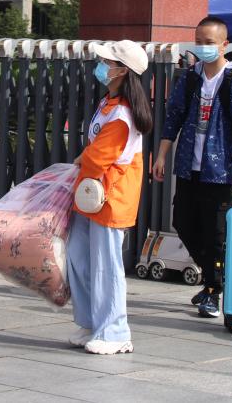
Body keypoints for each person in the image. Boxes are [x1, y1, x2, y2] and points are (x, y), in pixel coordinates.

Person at [151, 16, 232, 319]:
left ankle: (213, 289)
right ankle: (217, 276)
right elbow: (173, 116)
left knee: (215, 233)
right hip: (189, 167)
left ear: (224, 45)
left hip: (219, 170)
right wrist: (162, 155)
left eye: (209, 42)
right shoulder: (190, 78)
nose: (203, 47)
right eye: (199, 42)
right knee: (183, 222)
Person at [67, 40, 153, 355]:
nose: (101, 66)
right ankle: (92, 323)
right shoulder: (110, 103)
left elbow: (97, 158)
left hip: (110, 197)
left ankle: (114, 332)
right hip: (93, 195)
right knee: (79, 258)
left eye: (107, 62)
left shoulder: (121, 113)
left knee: (106, 266)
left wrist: (82, 160)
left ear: (122, 71)